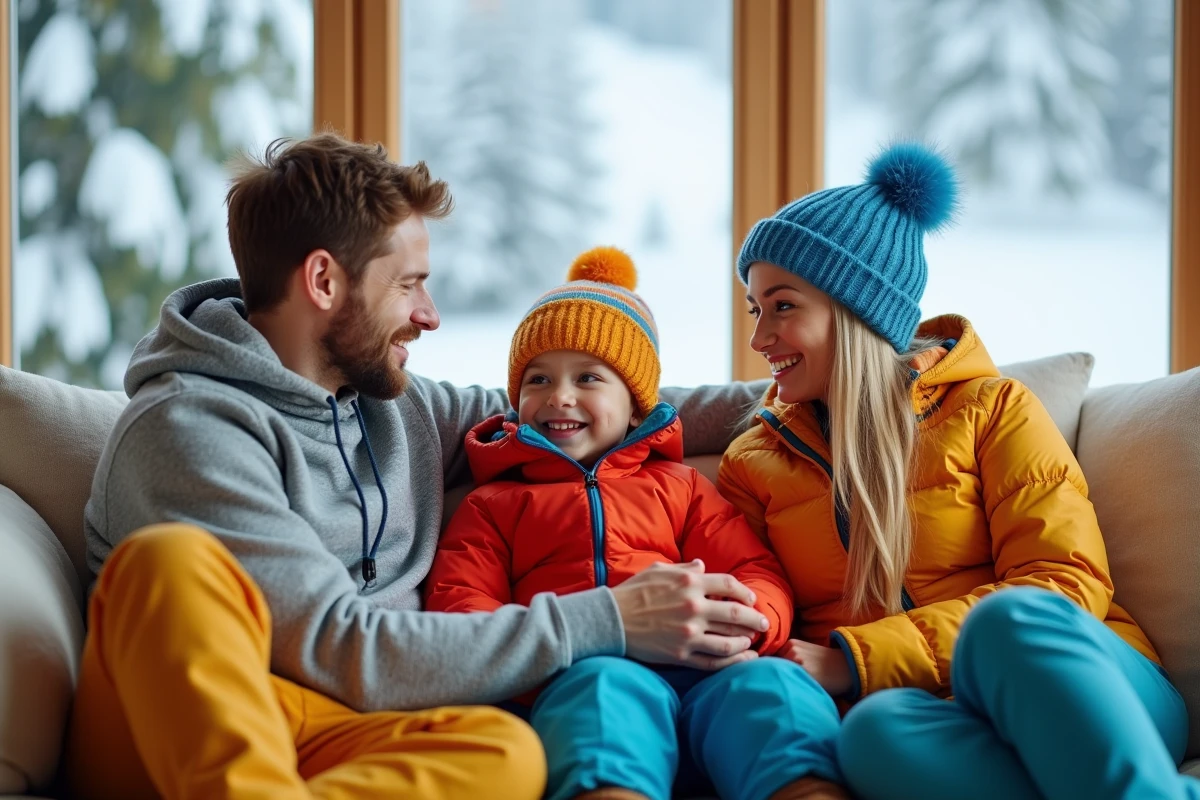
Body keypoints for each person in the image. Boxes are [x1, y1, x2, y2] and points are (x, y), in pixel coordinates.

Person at [64, 133, 773, 800]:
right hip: (185, 727)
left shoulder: (398, 408)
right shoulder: (189, 427)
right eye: (409, 285)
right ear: (323, 280)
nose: (430, 315)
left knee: (507, 752)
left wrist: (807, 393)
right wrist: (608, 618)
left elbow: (604, 404)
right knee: (170, 564)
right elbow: (340, 647)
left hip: (332, 733)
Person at [719, 141, 1191, 800]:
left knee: (1008, 624)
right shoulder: (751, 464)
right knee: (874, 733)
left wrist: (857, 658)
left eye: (783, 306)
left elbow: (1066, 583)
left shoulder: (992, 408)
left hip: (1095, 689)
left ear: (855, 309)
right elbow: (756, 607)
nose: (758, 338)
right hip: (937, 715)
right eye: (754, 309)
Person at [427, 246, 821, 800]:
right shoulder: (493, 503)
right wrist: (548, 655)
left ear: (637, 405)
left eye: (588, 377)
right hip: (583, 671)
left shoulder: (680, 487)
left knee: (772, 687)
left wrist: (747, 622)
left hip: (709, 668)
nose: (558, 395)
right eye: (537, 379)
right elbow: (461, 609)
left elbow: (754, 570)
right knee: (601, 694)